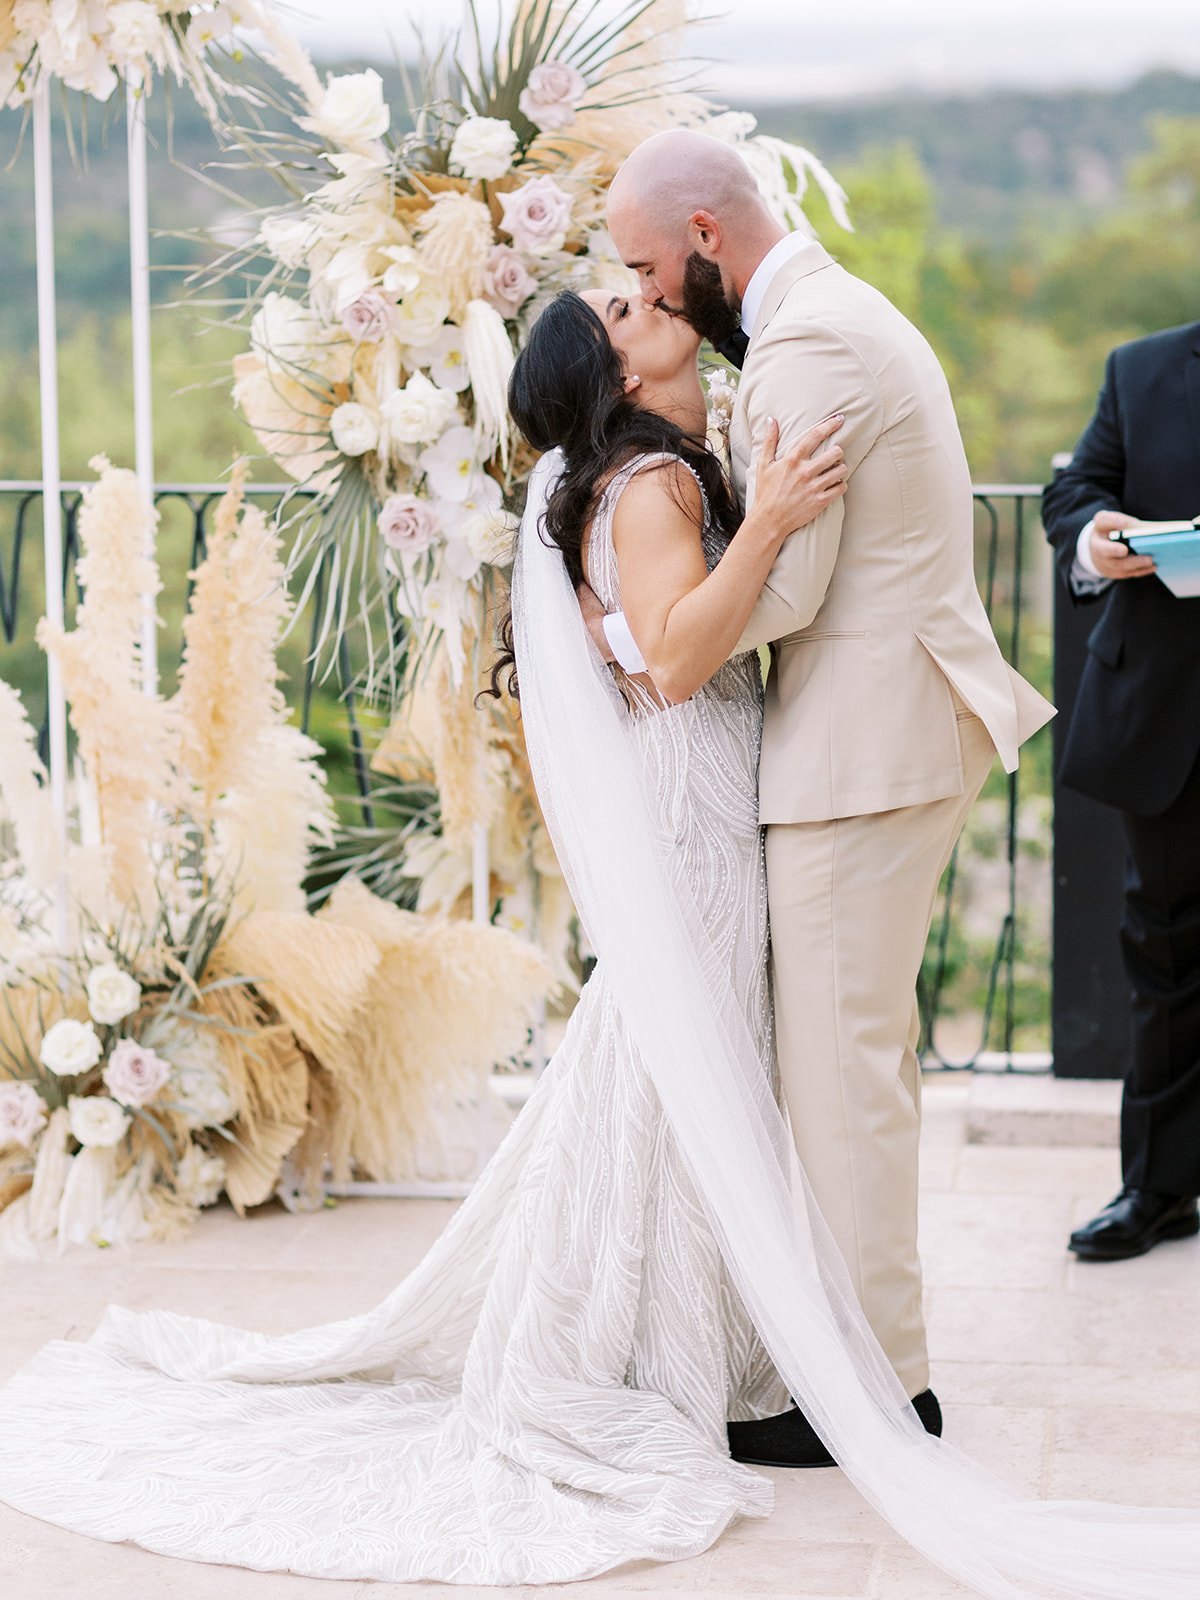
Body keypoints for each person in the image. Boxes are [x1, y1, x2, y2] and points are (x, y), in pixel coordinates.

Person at [1, 251, 1198, 1600]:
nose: (650, 301)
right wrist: (773, 519)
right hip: (691, 810)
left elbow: (640, 647)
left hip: (693, 792)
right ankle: (652, 1354)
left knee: (678, 1061)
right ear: (619, 371)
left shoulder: (646, 470)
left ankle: (693, 1333)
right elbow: (683, 656)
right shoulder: (657, 485)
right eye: (625, 309)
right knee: (685, 1056)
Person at [591, 129, 1055, 1464]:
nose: (649, 291)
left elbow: (787, 593)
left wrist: (649, 615)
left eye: (645, 265)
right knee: (853, 1065)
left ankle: (875, 1394)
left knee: (842, 1077)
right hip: (876, 729)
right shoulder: (823, 315)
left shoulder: (808, 344)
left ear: (708, 239)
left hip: (865, 744)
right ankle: (866, 1367)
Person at [1042, 321, 1200, 1263]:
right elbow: (1075, 490)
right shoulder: (1140, 368)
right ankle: (1159, 1188)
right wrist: (1097, 541)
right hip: (1168, 716)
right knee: (1166, 955)